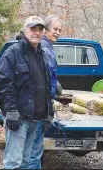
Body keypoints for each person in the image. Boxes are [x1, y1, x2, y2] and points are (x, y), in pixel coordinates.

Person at [0, 16, 54, 169]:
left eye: (40, 29)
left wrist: (49, 111)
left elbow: (46, 85)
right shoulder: (13, 52)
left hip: (36, 117)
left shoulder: (42, 54)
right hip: (19, 118)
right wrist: (11, 111)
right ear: (25, 30)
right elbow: (4, 84)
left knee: (26, 162)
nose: (37, 32)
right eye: (33, 29)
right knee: (13, 162)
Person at [28, 15, 62, 169]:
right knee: (34, 149)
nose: (58, 32)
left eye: (59, 30)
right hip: (41, 105)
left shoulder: (47, 47)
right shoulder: (45, 49)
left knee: (35, 148)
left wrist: (57, 84)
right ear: (46, 30)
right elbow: (44, 76)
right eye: (55, 29)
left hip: (42, 103)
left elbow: (49, 74)